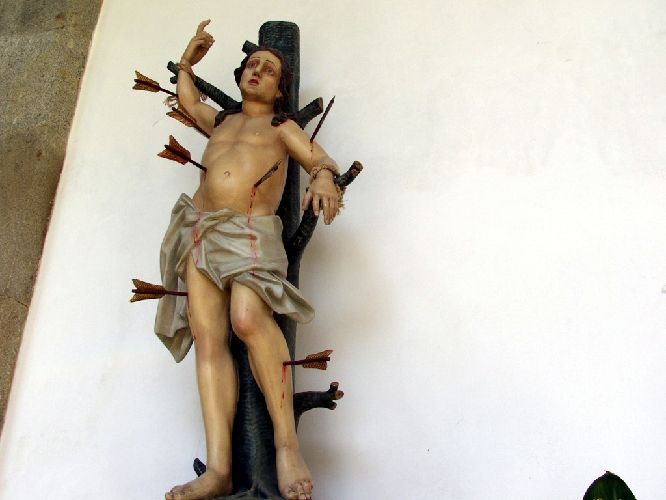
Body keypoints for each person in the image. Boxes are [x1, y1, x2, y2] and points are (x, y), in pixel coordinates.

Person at [157, 20, 340, 500]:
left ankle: (286, 446)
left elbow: (321, 160)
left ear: (281, 90)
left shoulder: (283, 128)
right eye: (252, 64)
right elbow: (189, 102)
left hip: (251, 235)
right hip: (202, 230)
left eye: (269, 69)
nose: (257, 71)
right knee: (207, 337)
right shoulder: (221, 121)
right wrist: (187, 61)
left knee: (247, 319)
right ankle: (218, 468)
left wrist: (323, 179)